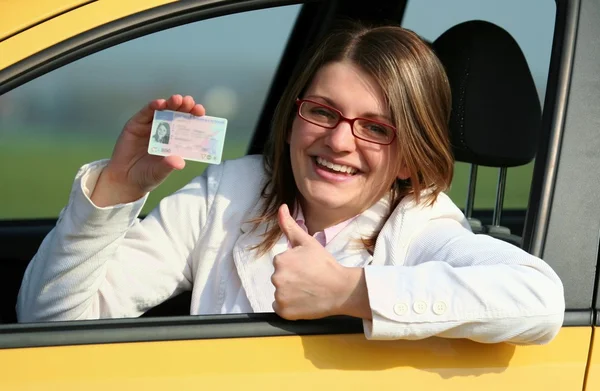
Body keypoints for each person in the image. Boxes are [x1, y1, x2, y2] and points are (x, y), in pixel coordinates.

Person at [16, 22, 565, 344]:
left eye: (376, 127)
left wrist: (350, 294)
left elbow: (539, 300)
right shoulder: (230, 190)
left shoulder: (417, 224)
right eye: (323, 112)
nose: (340, 141)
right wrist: (117, 185)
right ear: (293, 119)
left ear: (406, 159)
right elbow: (50, 324)